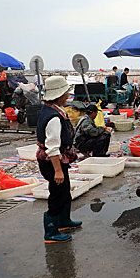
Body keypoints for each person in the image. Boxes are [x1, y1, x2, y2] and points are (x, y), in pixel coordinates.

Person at [36, 76, 81, 243]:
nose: (68, 96)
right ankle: (51, 232)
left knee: (65, 191)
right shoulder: (54, 117)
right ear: (59, 95)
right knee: (57, 194)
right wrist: (57, 170)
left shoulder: (50, 109)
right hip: (52, 161)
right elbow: (52, 147)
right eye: (66, 93)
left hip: (58, 159)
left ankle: (64, 221)